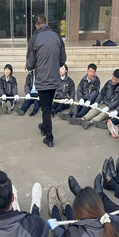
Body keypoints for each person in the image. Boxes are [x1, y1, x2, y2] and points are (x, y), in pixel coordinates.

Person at [26, 14, 67, 148]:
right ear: (47, 23)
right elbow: (62, 60)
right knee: (47, 106)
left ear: (36, 26)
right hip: (54, 79)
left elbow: (30, 64)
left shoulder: (34, 39)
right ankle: (44, 127)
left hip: (42, 80)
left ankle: (49, 137)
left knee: (46, 109)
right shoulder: (57, 37)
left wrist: (30, 66)